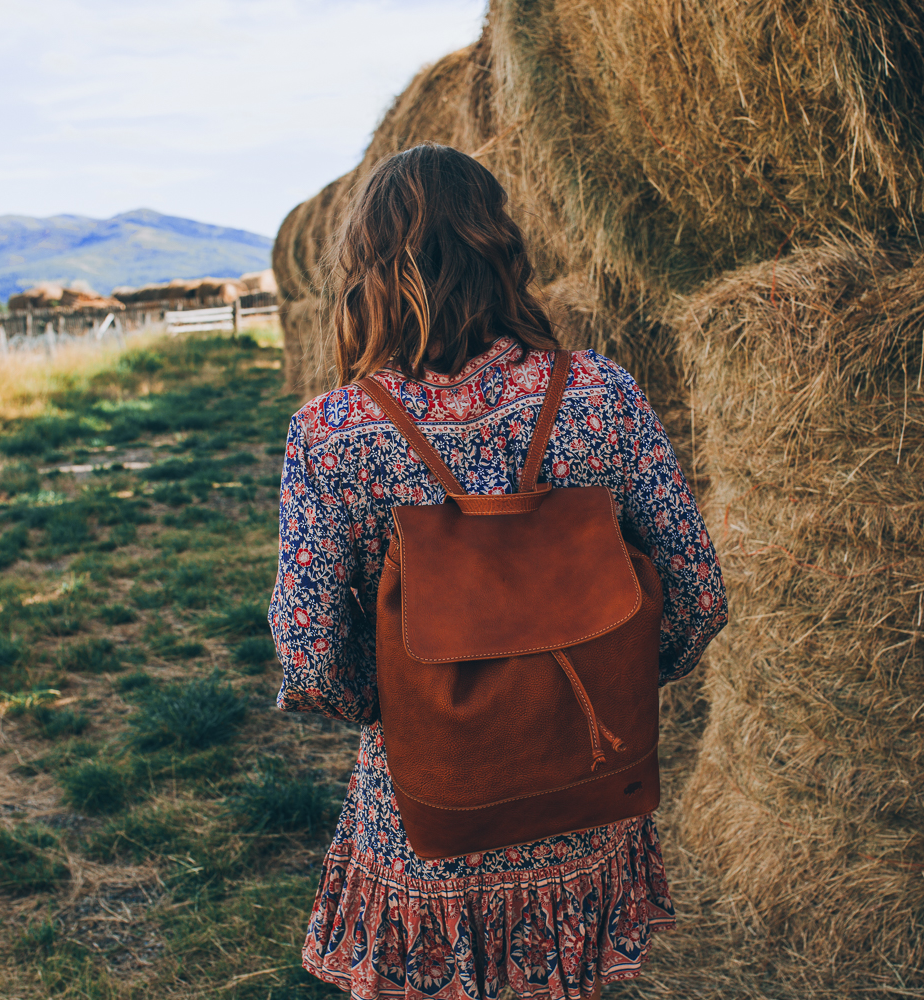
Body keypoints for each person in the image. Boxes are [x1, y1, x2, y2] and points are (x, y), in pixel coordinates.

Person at [269, 143, 728, 1000]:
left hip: (426, 823)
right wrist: (598, 680)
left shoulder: (332, 438)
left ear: (366, 269)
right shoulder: (603, 397)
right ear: (502, 248)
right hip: (586, 810)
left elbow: (310, 656)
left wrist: (406, 706)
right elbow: (697, 594)